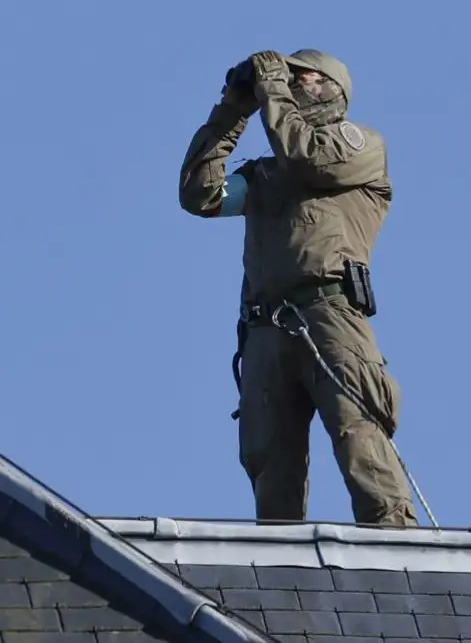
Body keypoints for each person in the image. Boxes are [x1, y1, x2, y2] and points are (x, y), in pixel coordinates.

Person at [178, 49, 415, 526]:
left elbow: (312, 161)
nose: (285, 83)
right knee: (270, 460)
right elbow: (199, 195)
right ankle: (280, 563)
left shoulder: (359, 145)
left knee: (358, 438)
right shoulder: (267, 174)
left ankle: (396, 546)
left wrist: (269, 89)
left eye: (297, 77)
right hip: (266, 327)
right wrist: (231, 110)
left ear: (332, 89)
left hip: (329, 314)